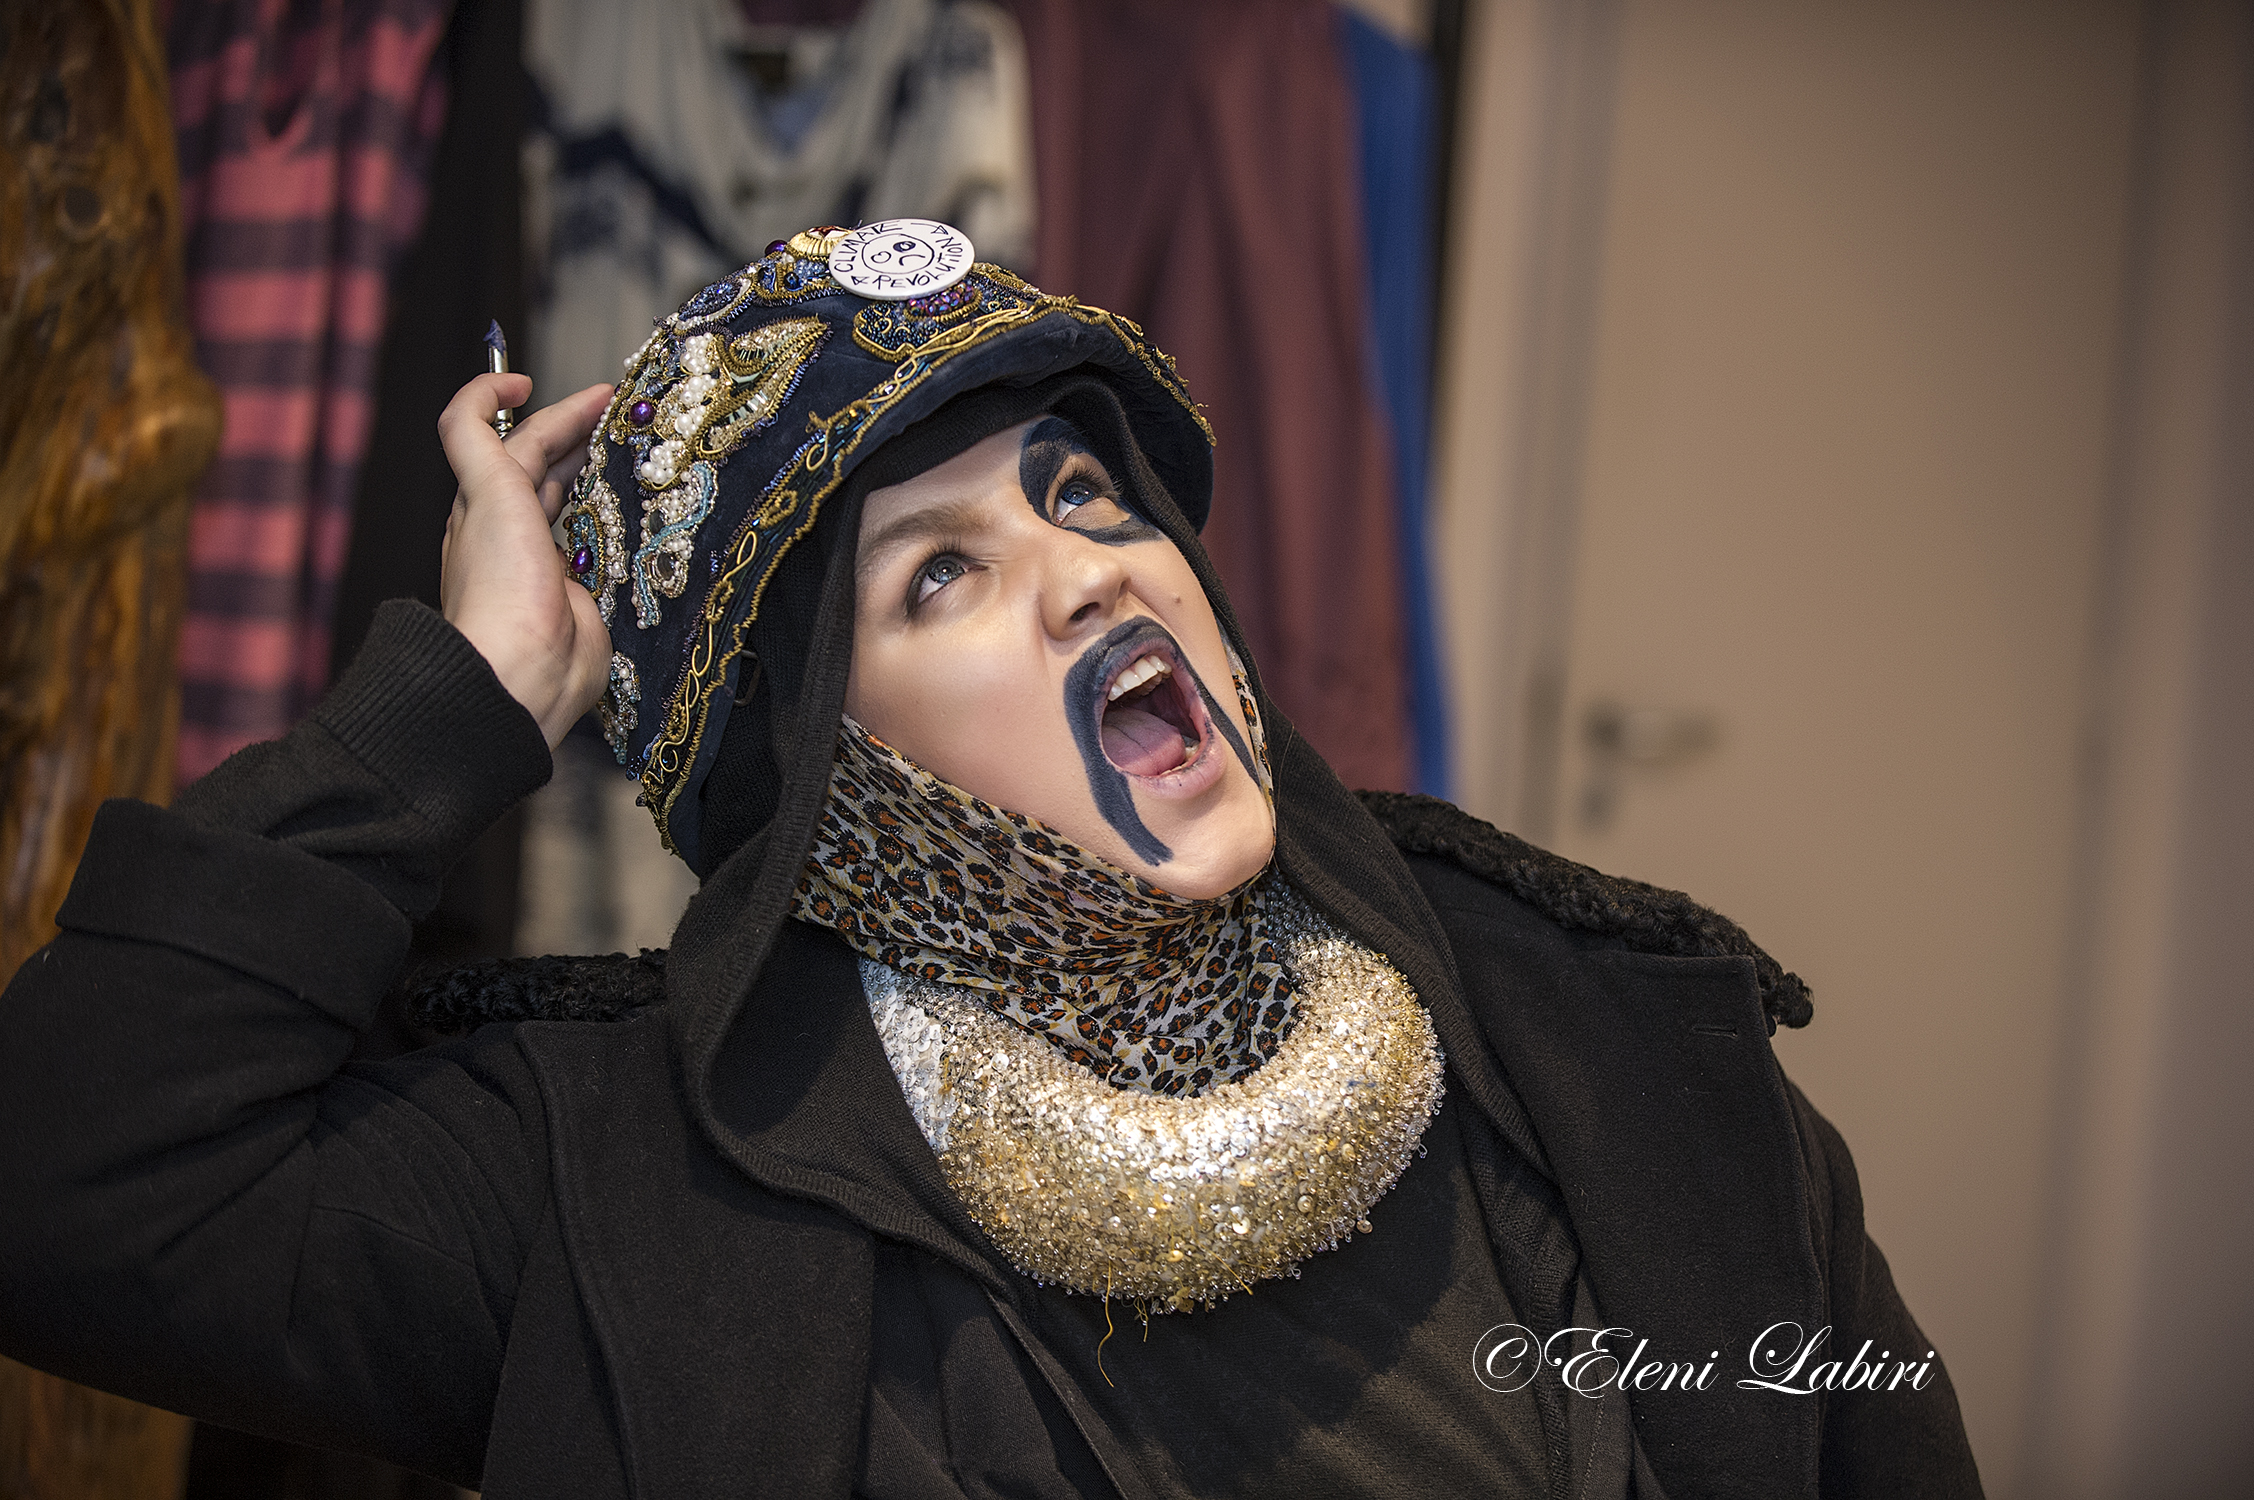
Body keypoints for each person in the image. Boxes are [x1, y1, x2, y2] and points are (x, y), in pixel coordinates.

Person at [0, 221, 1981, 1498]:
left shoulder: (1613, 1044)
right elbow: (70, 1190)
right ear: (827, 766)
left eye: (1083, 492)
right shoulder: (612, 1191)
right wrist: (459, 707)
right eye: (937, 575)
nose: (1086, 572)